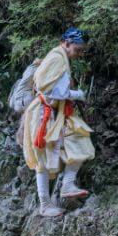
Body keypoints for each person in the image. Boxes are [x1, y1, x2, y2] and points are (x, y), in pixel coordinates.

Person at [20, 27, 95, 217]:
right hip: (43, 113)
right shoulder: (56, 58)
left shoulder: (59, 57)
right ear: (67, 43)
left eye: (81, 51)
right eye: (77, 49)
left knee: (77, 137)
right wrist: (78, 94)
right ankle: (45, 204)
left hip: (53, 112)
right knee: (43, 158)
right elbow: (53, 92)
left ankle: (67, 185)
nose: (79, 54)